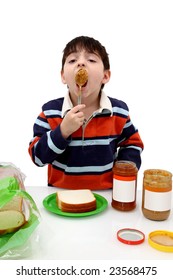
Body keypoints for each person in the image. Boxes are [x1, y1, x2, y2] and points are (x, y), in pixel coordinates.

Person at [28, 36, 144, 190]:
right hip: (61, 197)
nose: (81, 63)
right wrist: (62, 132)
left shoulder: (118, 112)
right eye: (72, 60)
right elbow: (38, 158)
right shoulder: (50, 112)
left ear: (105, 76)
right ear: (63, 76)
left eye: (91, 60)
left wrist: (123, 172)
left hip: (106, 197)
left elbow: (132, 144)